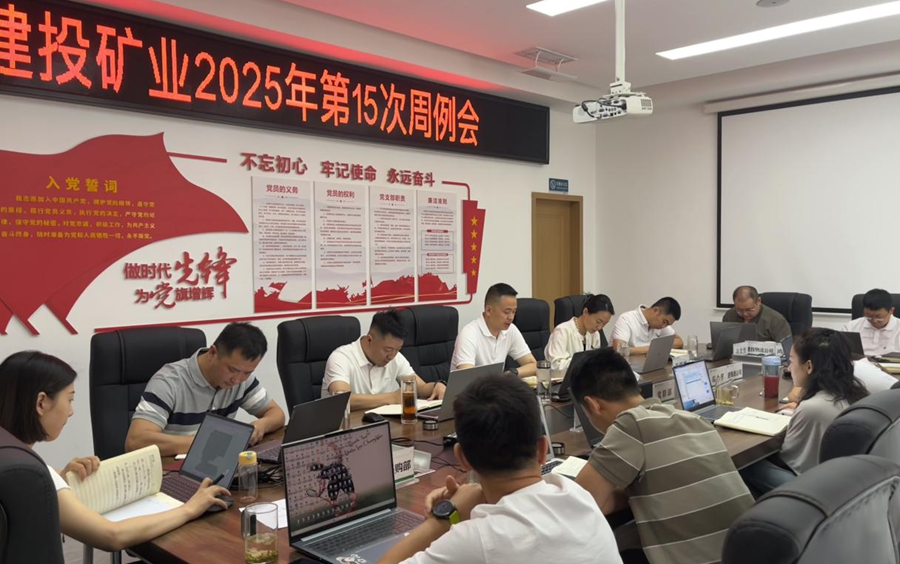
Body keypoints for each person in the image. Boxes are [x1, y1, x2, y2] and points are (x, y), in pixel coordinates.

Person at [376, 375, 622, 564]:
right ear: (542, 449)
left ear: (463, 459)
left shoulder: (479, 539)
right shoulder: (576, 495)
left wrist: (444, 518)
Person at [0, 351, 229, 552]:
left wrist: (61, 480)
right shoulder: (37, 474)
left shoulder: (11, 455)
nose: (71, 412)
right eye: (69, 400)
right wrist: (190, 509)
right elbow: (113, 536)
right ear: (41, 403)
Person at [570, 348, 753, 564]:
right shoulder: (694, 420)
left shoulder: (631, 424)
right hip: (751, 552)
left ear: (593, 404)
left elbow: (579, 501)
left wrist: (619, 491)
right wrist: (634, 491)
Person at [126, 322, 285, 456]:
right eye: (232, 370)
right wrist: (204, 443)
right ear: (213, 353)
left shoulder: (242, 380)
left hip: (214, 465)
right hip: (170, 472)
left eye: (247, 372)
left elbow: (277, 414)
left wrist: (260, 426)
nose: (237, 380)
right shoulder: (169, 382)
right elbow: (136, 441)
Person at [741, 328, 869, 495]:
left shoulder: (813, 408)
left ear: (809, 366)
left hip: (815, 489)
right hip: (847, 483)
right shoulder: (854, 393)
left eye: (791, 361)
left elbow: (787, 458)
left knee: (742, 465)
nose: (789, 367)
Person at [322, 310, 446, 411]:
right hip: (345, 429)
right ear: (369, 340)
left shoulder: (395, 357)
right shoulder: (341, 358)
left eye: (398, 349)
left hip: (382, 426)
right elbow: (341, 400)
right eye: (388, 350)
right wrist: (391, 398)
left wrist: (436, 386)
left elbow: (419, 387)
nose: (391, 356)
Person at [450, 283, 538, 377]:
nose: (511, 317)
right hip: (473, 387)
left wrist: (511, 373)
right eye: (507, 312)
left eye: (514, 312)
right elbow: (466, 377)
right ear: (488, 310)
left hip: (495, 385)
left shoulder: (511, 330)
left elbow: (533, 365)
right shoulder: (469, 334)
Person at [544, 294, 614, 371]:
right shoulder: (562, 331)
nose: (600, 327)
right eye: (598, 321)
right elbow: (554, 365)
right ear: (585, 312)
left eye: (604, 324)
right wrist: (584, 361)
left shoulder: (595, 334)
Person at [611, 297, 684, 355]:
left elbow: (679, 342)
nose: (664, 326)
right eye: (664, 322)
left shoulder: (660, 325)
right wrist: (651, 349)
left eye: (668, 324)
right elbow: (619, 350)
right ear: (655, 311)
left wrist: (656, 347)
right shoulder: (627, 319)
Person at [841, 288, 900, 356]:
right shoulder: (850, 327)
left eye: (879, 317)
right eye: (868, 316)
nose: (874, 321)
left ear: (891, 311)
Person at [722, 286, 791, 342]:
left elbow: (787, 349)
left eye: (749, 309)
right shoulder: (729, 315)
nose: (745, 314)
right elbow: (723, 342)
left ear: (758, 301)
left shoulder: (776, 320)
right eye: (739, 310)